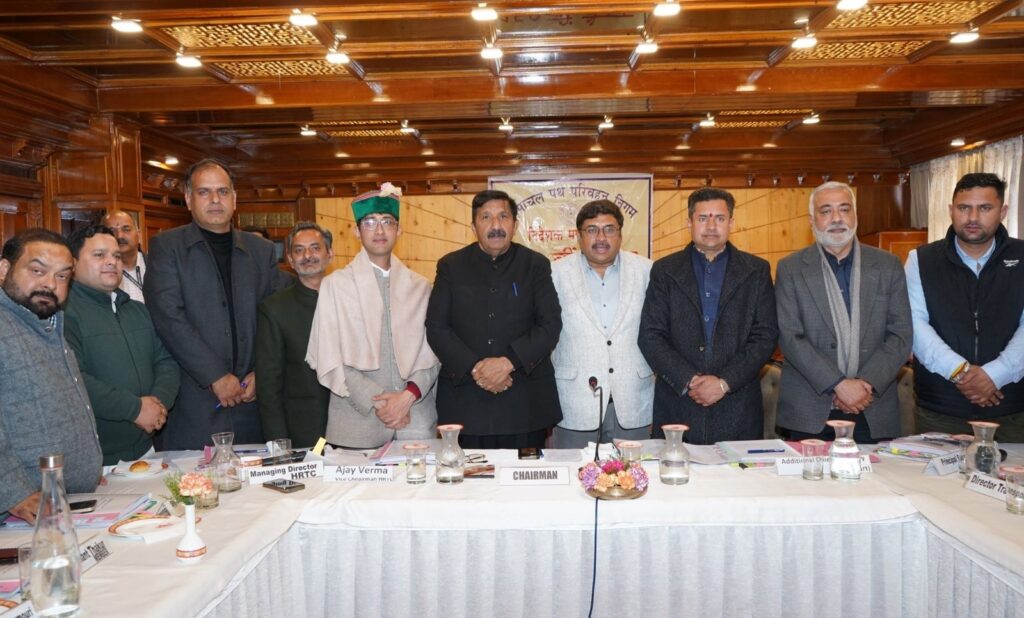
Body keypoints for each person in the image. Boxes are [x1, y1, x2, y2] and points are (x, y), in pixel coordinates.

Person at [144, 159, 292, 449]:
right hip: (196, 404)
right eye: (204, 192)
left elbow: (275, 316)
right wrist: (216, 376)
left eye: (223, 191)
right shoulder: (167, 247)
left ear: (234, 199)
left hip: (253, 401)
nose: (215, 200)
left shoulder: (260, 250)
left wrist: (261, 371)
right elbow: (169, 318)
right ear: (188, 199)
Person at [775, 181, 912, 444]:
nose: (836, 218)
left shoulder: (888, 265)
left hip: (872, 406)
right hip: (809, 412)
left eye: (844, 209)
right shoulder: (790, 269)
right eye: (826, 211)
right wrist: (838, 384)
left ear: (855, 215)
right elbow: (790, 337)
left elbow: (900, 334)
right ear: (812, 220)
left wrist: (865, 385)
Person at [639, 187, 778, 444]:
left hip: (738, 406)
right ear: (689, 223)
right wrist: (690, 380)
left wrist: (724, 383)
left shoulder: (756, 271)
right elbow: (650, 335)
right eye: (703, 218)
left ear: (731, 223)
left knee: (737, 471)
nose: (711, 226)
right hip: (679, 404)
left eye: (720, 218)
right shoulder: (664, 270)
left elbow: (765, 336)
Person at [426, 189, 562, 449]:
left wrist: (509, 362)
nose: (496, 225)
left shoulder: (535, 265)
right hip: (466, 402)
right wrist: (476, 368)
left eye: (503, 216)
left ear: (515, 225)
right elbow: (436, 327)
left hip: (525, 403)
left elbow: (550, 325)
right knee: (467, 475)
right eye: (486, 217)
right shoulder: (450, 267)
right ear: (473, 227)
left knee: (527, 474)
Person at [307, 183, 438, 448]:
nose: (379, 230)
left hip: (414, 422)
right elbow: (329, 355)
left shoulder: (421, 287)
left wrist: (406, 398)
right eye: (369, 222)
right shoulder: (335, 286)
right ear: (357, 231)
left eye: (387, 221)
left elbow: (433, 354)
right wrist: (382, 402)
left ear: (399, 230)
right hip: (356, 424)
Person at [906, 172, 1024, 440]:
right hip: (941, 407)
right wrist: (961, 373)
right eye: (964, 208)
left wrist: (994, 375)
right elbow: (914, 324)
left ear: (1003, 211)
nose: (972, 217)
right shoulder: (921, 259)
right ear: (951, 210)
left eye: (985, 208)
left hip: (1011, 406)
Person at [0, 229, 102, 523]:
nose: (50, 284)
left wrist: (87, 466)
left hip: (67, 503)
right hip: (23, 512)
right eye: (37, 271)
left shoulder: (47, 323)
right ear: (4, 269)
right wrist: (13, 492)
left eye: (62, 276)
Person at [63, 225, 180, 465]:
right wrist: (135, 409)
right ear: (73, 264)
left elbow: (166, 361)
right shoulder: (63, 314)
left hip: (147, 447)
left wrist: (158, 404)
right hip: (98, 461)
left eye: (116, 256)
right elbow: (73, 379)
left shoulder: (138, 310)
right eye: (99, 255)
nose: (111, 262)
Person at [550, 199, 654, 448]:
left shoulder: (648, 271)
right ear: (579, 236)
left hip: (633, 399)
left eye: (609, 229)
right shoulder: (554, 274)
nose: (601, 238)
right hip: (574, 402)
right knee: (574, 471)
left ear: (620, 234)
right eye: (592, 230)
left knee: (634, 471)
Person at [256, 222, 334, 448]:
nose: (307, 256)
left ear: (330, 254)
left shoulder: (349, 301)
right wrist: (278, 446)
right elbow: (269, 388)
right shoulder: (274, 309)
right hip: (305, 434)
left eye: (315, 248)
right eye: (299, 250)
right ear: (290, 259)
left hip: (353, 432)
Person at [102, 210, 147, 303]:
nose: (119, 236)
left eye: (126, 229)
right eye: (111, 231)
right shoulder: (99, 272)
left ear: (139, 234)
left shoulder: (157, 265)